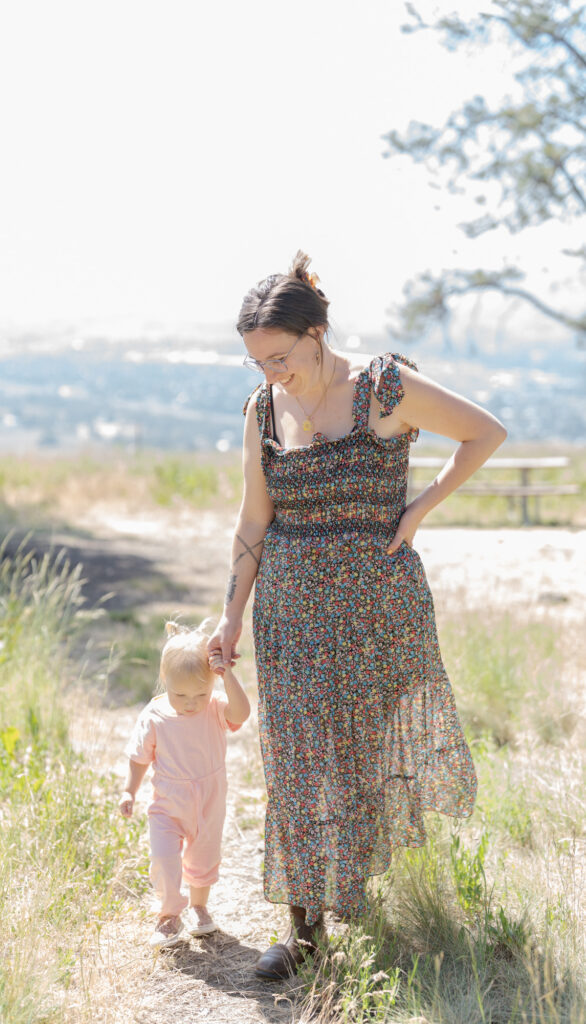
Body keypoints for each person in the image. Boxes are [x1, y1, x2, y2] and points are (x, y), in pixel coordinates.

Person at [207, 251, 507, 980]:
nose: (271, 374)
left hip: (379, 605)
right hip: (291, 607)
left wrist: (420, 507)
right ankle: (304, 928)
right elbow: (254, 519)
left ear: (318, 331)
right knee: (299, 758)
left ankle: (360, 899)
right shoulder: (262, 410)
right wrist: (229, 616)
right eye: (257, 363)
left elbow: (484, 432)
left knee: (362, 755)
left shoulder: (382, 386)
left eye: (280, 357)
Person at [120, 620, 250, 948]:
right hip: (168, 802)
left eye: (200, 693)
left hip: (209, 799)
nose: (191, 702)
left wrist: (227, 676)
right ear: (165, 681)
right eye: (180, 694)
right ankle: (168, 914)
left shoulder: (215, 709)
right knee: (164, 859)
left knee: (203, 858)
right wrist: (129, 790)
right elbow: (139, 758)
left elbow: (243, 712)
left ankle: (199, 907)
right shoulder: (154, 716)